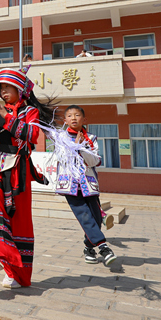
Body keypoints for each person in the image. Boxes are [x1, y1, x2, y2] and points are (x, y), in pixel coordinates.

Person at [0, 65, 54, 289]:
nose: (3, 92)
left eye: (7, 87)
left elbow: (31, 134)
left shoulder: (30, 112)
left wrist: (5, 117)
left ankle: (16, 274)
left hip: (18, 170)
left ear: (20, 89)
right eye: (0, 88)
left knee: (18, 221)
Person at [54, 105, 117, 266]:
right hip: (70, 185)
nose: (73, 118)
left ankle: (89, 248)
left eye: (77, 115)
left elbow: (95, 161)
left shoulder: (92, 138)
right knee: (84, 216)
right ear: (65, 120)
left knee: (96, 219)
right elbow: (63, 158)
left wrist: (82, 147)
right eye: (69, 115)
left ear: (84, 119)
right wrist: (75, 146)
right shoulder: (60, 138)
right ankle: (103, 247)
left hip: (89, 185)